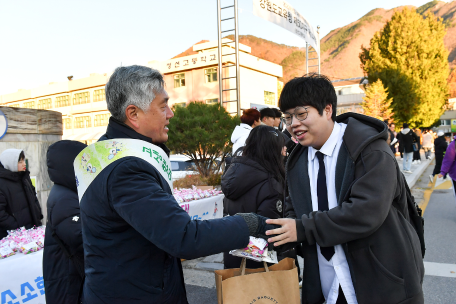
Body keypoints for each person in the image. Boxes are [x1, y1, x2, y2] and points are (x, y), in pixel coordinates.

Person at [78, 65, 272, 304]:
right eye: (163, 106)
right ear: (133, 114)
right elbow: (184, 237)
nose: (170, 114)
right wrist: (250, 223)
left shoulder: (114, 152)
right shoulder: (126, 168)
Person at [263, 74, 424, 304]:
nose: (293, 124)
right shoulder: (297, 160)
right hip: (326, 284)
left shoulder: (370, 150)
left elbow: (366, 212)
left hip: (379, 282)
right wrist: (280, 233)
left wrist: (303, 228)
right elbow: (294, 209)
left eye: (301, 114)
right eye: (287, 117)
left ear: (327, 110)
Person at [222, 125, 286, 269]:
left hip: (233, 257)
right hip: (259, 267)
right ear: (272, 150)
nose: (285, 151)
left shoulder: (235, 175)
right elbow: (270, 231)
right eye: (282, 147)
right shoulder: (270, 185)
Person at [43, 140, 87, 304]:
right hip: (68, 285)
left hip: (71, 280)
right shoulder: (64, 199)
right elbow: (82, 239)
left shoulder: (67, 192)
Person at [0, 149, 42, 239]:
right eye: (20, 161)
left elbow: (34, 197)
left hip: (33, 229)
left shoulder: (24, 177)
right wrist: (17, 226)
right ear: (10, 163)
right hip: (14, 236)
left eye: (23, 160)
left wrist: (38, 214)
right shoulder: (2, 183)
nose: (24, 164)